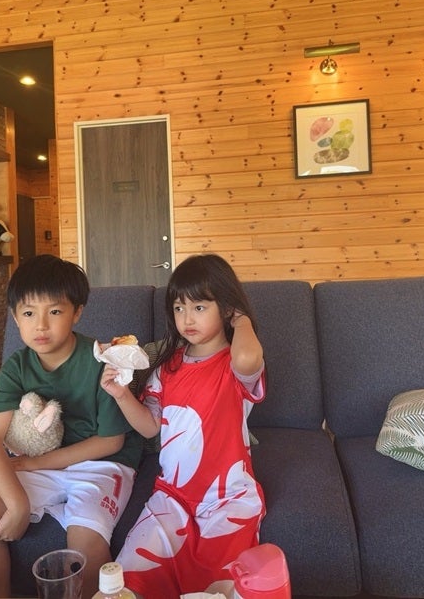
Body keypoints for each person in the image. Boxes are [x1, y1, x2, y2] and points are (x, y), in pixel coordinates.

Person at [0, 254, 143, 599]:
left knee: (85, 542)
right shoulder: (17, 365)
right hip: (41, 464)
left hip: (102, 465)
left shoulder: (101, 359)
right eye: (29, 313)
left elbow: (111, 441)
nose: (41, 325)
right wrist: (16, 503)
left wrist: (33, 463)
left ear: (77, 312)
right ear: (15, 317)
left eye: (55, 312)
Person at [101, 253, 266, 598]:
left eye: (199, 307)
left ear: (226, 308)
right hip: (171, 496)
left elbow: (248, 358)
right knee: (128, 581)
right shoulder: (168, 367)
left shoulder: (234, 365)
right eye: (179, 308)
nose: (187, 318)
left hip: (228, 498)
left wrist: (241, 319)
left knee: (221, 586)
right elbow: (150, 427)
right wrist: (121, 394)